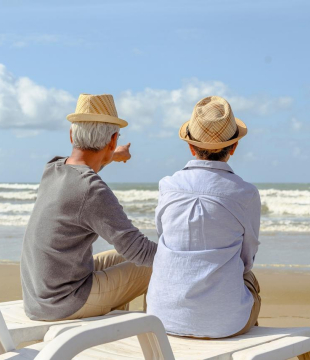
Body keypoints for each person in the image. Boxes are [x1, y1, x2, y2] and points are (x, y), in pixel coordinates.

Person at [21, 93, 157, 321]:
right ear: (113, 140)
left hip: (39, 295)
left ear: (72, 134)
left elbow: (83, 168)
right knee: (152, 265)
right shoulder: (92, 190)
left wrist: (112, 155)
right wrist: (184, 256)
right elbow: (139, 250)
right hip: (64, 301)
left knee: (121, 257)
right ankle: (160, 341)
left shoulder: (53, 167)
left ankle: (112, 330)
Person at [147, 95, 261, 338]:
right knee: (249, 280)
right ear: (234, 147)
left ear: (190, 146)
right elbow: (247, 258)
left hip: (161, 317)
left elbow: (164, 238)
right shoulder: (245, 193)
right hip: (225, 324)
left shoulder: (167, 186)